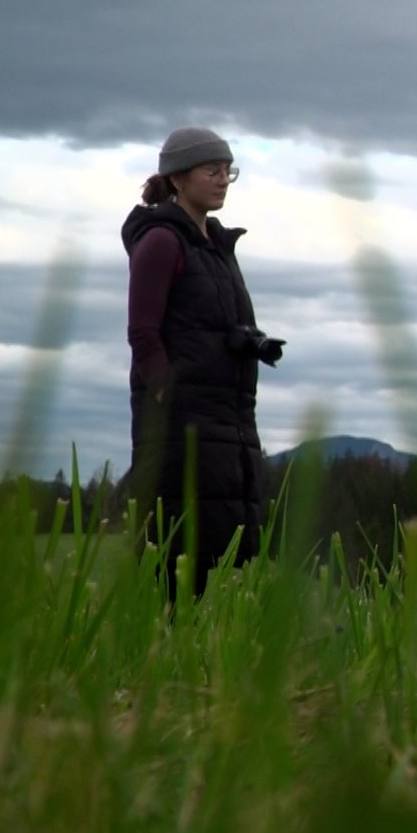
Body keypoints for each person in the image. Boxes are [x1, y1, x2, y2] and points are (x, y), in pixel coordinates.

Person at [121, 125, 283, 601]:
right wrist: (168, 392)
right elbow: (143, 332)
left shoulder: (215, 245)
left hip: (226, 418)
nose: (222, 180)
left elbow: (203, 323)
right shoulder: (161, 242)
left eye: (228, 171)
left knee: (218, 542)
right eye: (211, 170)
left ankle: (203, 663)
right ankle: (163, 659)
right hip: (180, 421)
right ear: (177, 178)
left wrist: (247, 342)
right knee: (176, 550)